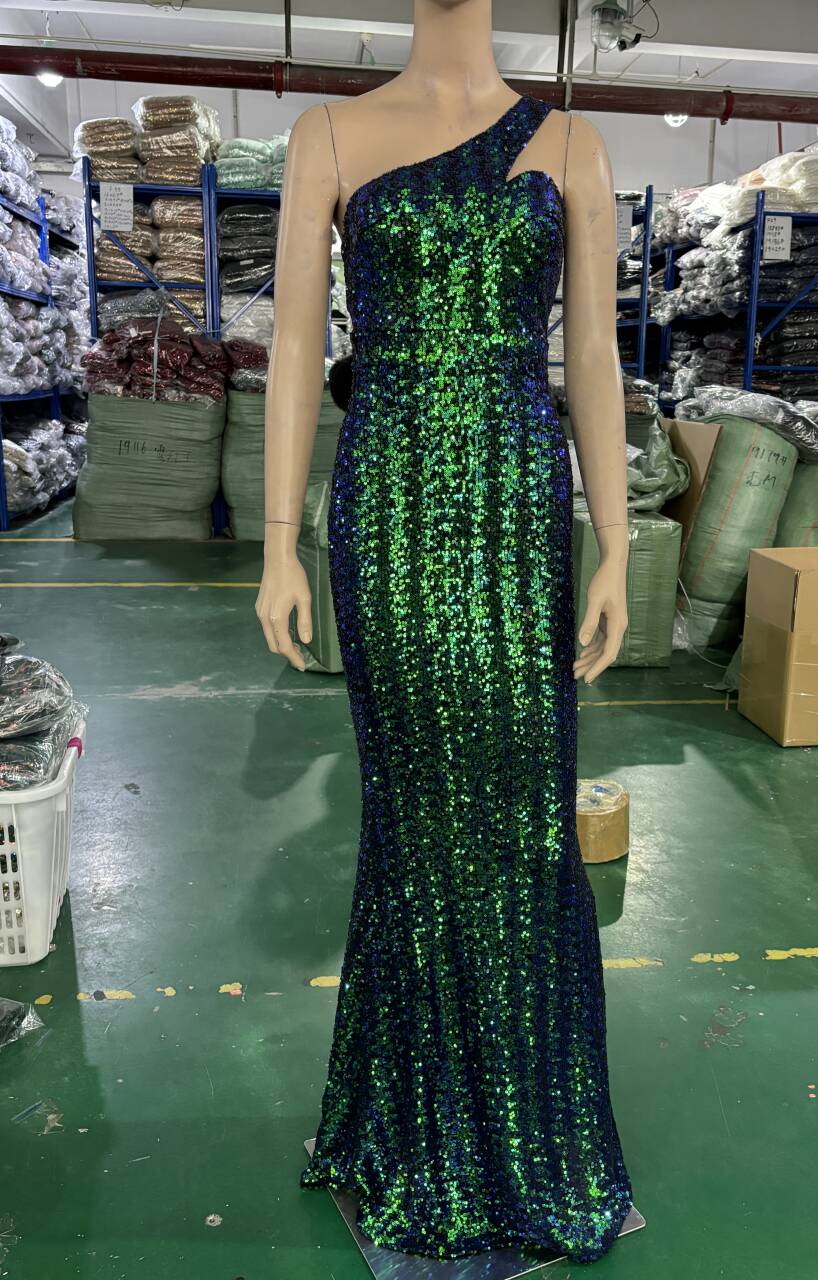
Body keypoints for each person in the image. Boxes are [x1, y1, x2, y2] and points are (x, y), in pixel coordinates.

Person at [256, 0, 633, 1263]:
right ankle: (418, 1131)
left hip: (518, 506)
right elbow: (296, 343)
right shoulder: (327, 135)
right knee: (418, 819)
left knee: (524, 817)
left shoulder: (573, 144)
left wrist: (618, 542)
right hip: (393, 503)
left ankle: (531, 1133)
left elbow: (593, 353)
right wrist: (276, 540)